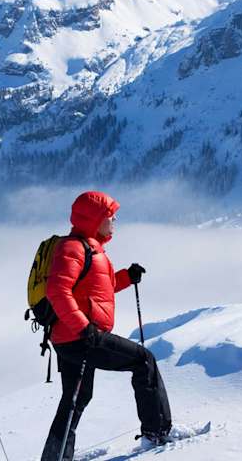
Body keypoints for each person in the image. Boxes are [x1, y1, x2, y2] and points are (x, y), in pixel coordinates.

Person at [40, 191, 171, 461]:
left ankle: (55, 458)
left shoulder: (90, 248)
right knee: (143, 361)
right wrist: (83, 328)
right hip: (81, 337)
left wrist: (126, 277)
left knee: (76, 398)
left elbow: (100, 290)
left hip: (72, 337)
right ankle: (157, 433)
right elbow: (57, 290)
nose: (114, 220)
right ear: (94, 219)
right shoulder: (73, 248)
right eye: (110, 215)